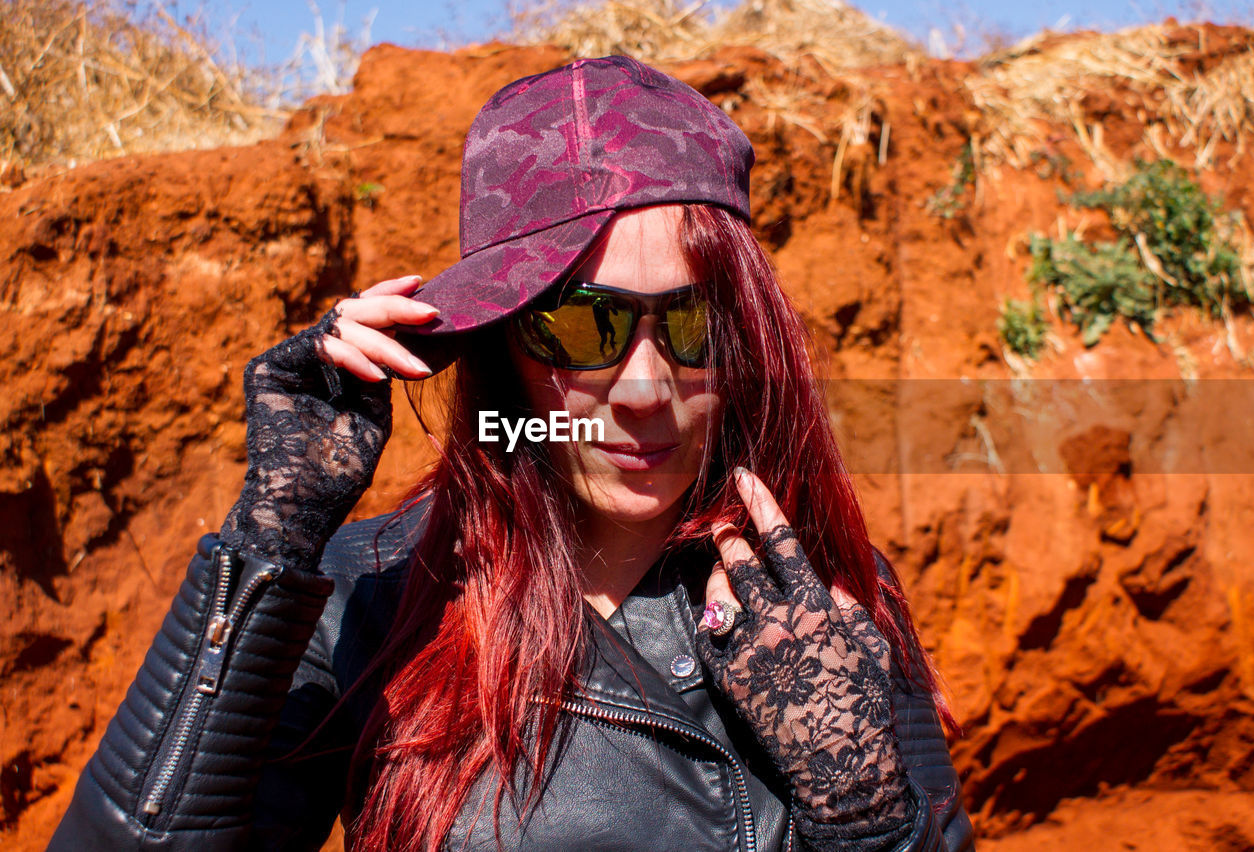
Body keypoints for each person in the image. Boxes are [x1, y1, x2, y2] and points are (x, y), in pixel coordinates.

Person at [49, 56, 974, 852]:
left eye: (693, 321)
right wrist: (270, 538)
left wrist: (868, 824)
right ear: (502, 348)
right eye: (582, 323)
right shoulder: (371, 597)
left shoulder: (824, 604)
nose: (646, 387)